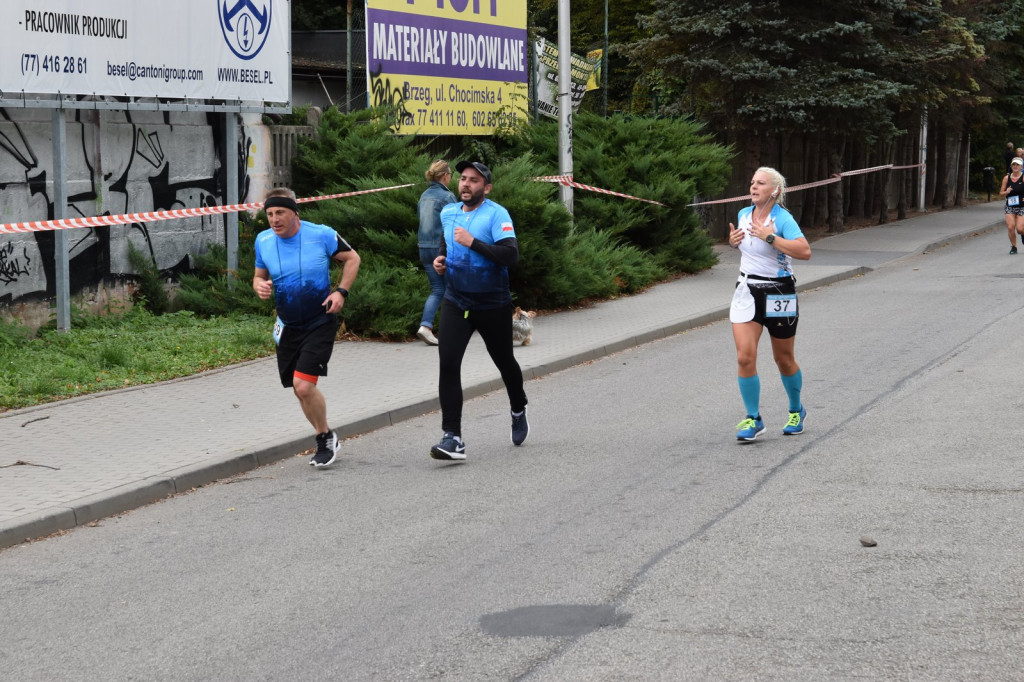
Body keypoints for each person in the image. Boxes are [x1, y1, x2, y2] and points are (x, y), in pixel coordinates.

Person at [252, 187, 361, 468]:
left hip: (319, 321)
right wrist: (259, 286)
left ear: (295, 213)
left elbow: (353, 258)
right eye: (270, 214)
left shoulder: (321, 234)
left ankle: (324, 437)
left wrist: (341, 292)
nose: (274, 219)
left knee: (303, 385)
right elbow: (258, 276)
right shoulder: (263, 240)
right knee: (299, 389)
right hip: (287, 325)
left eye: (280, 212)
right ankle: (325, 435)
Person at [429, 160, 529, 461]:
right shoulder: (448, 212)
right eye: (463, 178)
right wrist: (441, 259)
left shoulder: (497, 214)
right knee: (448, 364)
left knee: (504, 361)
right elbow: (446, 243)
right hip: (456, 301)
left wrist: (473, 242)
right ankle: (453, 437)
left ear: (487, 187)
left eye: (474, 180)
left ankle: (518, 407)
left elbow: (510, 255)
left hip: (492, 303)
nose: (466, 184)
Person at [727, 167, 812, 441]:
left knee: (783, 359)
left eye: (760, 183)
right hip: (747, 289)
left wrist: (770, 237)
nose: (753, 187)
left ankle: (796, 410)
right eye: (752, 182)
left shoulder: (782, 218)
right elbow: (745, 248)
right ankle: (753, 418)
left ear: (775, 190)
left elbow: (805, 251)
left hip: (779, 292)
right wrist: (732, 242)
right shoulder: (743, 214)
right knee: (744, 356)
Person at [416, 160, 456, 345]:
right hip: (441, 248)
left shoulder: (424, 196)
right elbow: (456, 222)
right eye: (451, 175)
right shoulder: (447, 197)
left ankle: (426, 326)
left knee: (438, 289)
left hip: (423, 247)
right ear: (445, 176)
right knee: (453, 289)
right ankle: (453, 329)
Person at [1000, 157, 1024, 254]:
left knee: (1020, 229)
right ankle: (1014, 247)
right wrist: (1006, 191)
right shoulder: (1006, 178)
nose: (1015, 166)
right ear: (1011, 166)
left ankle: (1023, 235)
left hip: (1022, 206)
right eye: (1013, 164)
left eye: (1017, 164)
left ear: (1021, 167)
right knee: (1010, 227)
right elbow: (1001, 193)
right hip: (1010, 206)